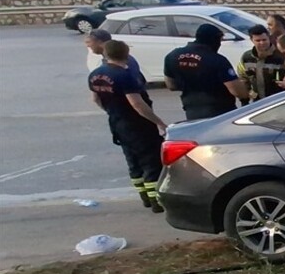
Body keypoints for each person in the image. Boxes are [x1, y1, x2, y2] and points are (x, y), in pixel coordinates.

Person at [90, 40, 168, 212]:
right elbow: (137, 104)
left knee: (133, 162)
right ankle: (156, 202)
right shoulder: (124, 76)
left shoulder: (95, 74)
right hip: (137, 125)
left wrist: (113, 112)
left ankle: (145, 199)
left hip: (117, 123)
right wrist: (159, 122)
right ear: (126, 54)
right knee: (151, 163)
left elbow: (95, 99)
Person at [164, 23, 247, 120]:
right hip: (220, 111)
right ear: (214, 39)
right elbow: (236, 90)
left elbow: (171, 85)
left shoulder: (172, 56)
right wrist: (245, 95)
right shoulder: (217, 60)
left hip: (191, 109)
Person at [86, 29, 152, 108]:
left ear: (100, 42)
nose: (88, 45)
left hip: (131, 111)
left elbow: (135, 94)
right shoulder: (113, 61)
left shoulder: (124, 63)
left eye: (89, 42)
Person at [238, 24, 285, 102]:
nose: (262, 43)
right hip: (258, 102)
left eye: (264, 39)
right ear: (251, 40)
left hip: (280, 101)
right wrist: (248, 94)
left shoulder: (282, 56)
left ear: (269, 38)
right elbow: (243, 78)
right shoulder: (246, 57)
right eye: (258, 41)